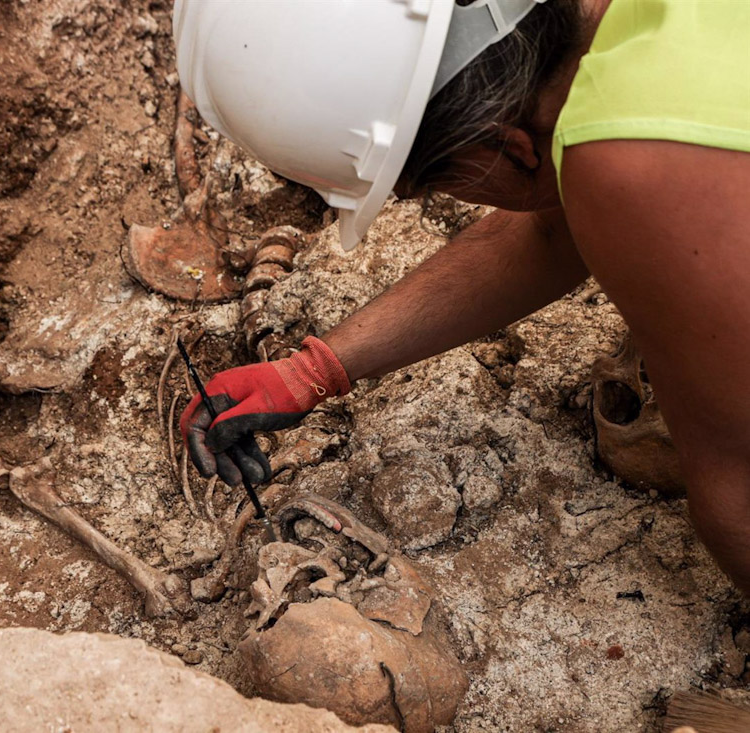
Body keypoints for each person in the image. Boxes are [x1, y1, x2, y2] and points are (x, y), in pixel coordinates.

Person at [176, 0, 750, 593]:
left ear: (511, 148)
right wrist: (309, 372)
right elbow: (558, 226)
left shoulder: (631, 161)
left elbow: (739, 490)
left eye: (435, 183)